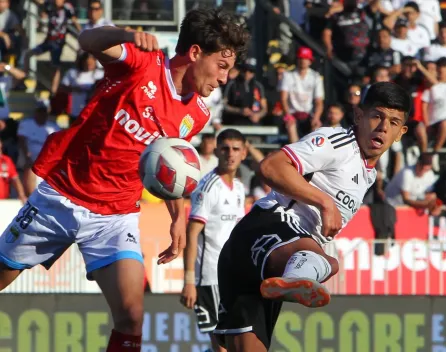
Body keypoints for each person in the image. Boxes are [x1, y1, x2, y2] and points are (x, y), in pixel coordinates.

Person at [0, 8, 249, 352]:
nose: (225, 78)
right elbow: (88, 40)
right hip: (62, 196)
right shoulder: (143, 64)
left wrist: (177, 215)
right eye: (222, 66)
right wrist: (127, 36)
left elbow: (167, 165)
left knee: (132, 316)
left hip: (115, 217)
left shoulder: (198, 114)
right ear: (195, 53)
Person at [212, 82, 411, 351]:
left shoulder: (369, 173)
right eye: (377, 115)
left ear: (401, 132)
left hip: (256, 263)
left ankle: (295, 276)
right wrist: (325, 202)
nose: (383, 127)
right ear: (359, 116)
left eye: (394, 122)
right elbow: (271, 167)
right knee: (329, 261)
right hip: (268, 230)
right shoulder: (338, 143)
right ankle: (297, 276)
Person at [181, 128, 247, 352]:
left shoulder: (239, 188)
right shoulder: (207, 188)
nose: (230, 154)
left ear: (243, 153)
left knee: (233, 344)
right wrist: (189, 280)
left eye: (236, 149)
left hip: (231, 277)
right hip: (209, 277)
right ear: (216, 151)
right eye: (225, 148)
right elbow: (192, 233)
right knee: (221, 347)